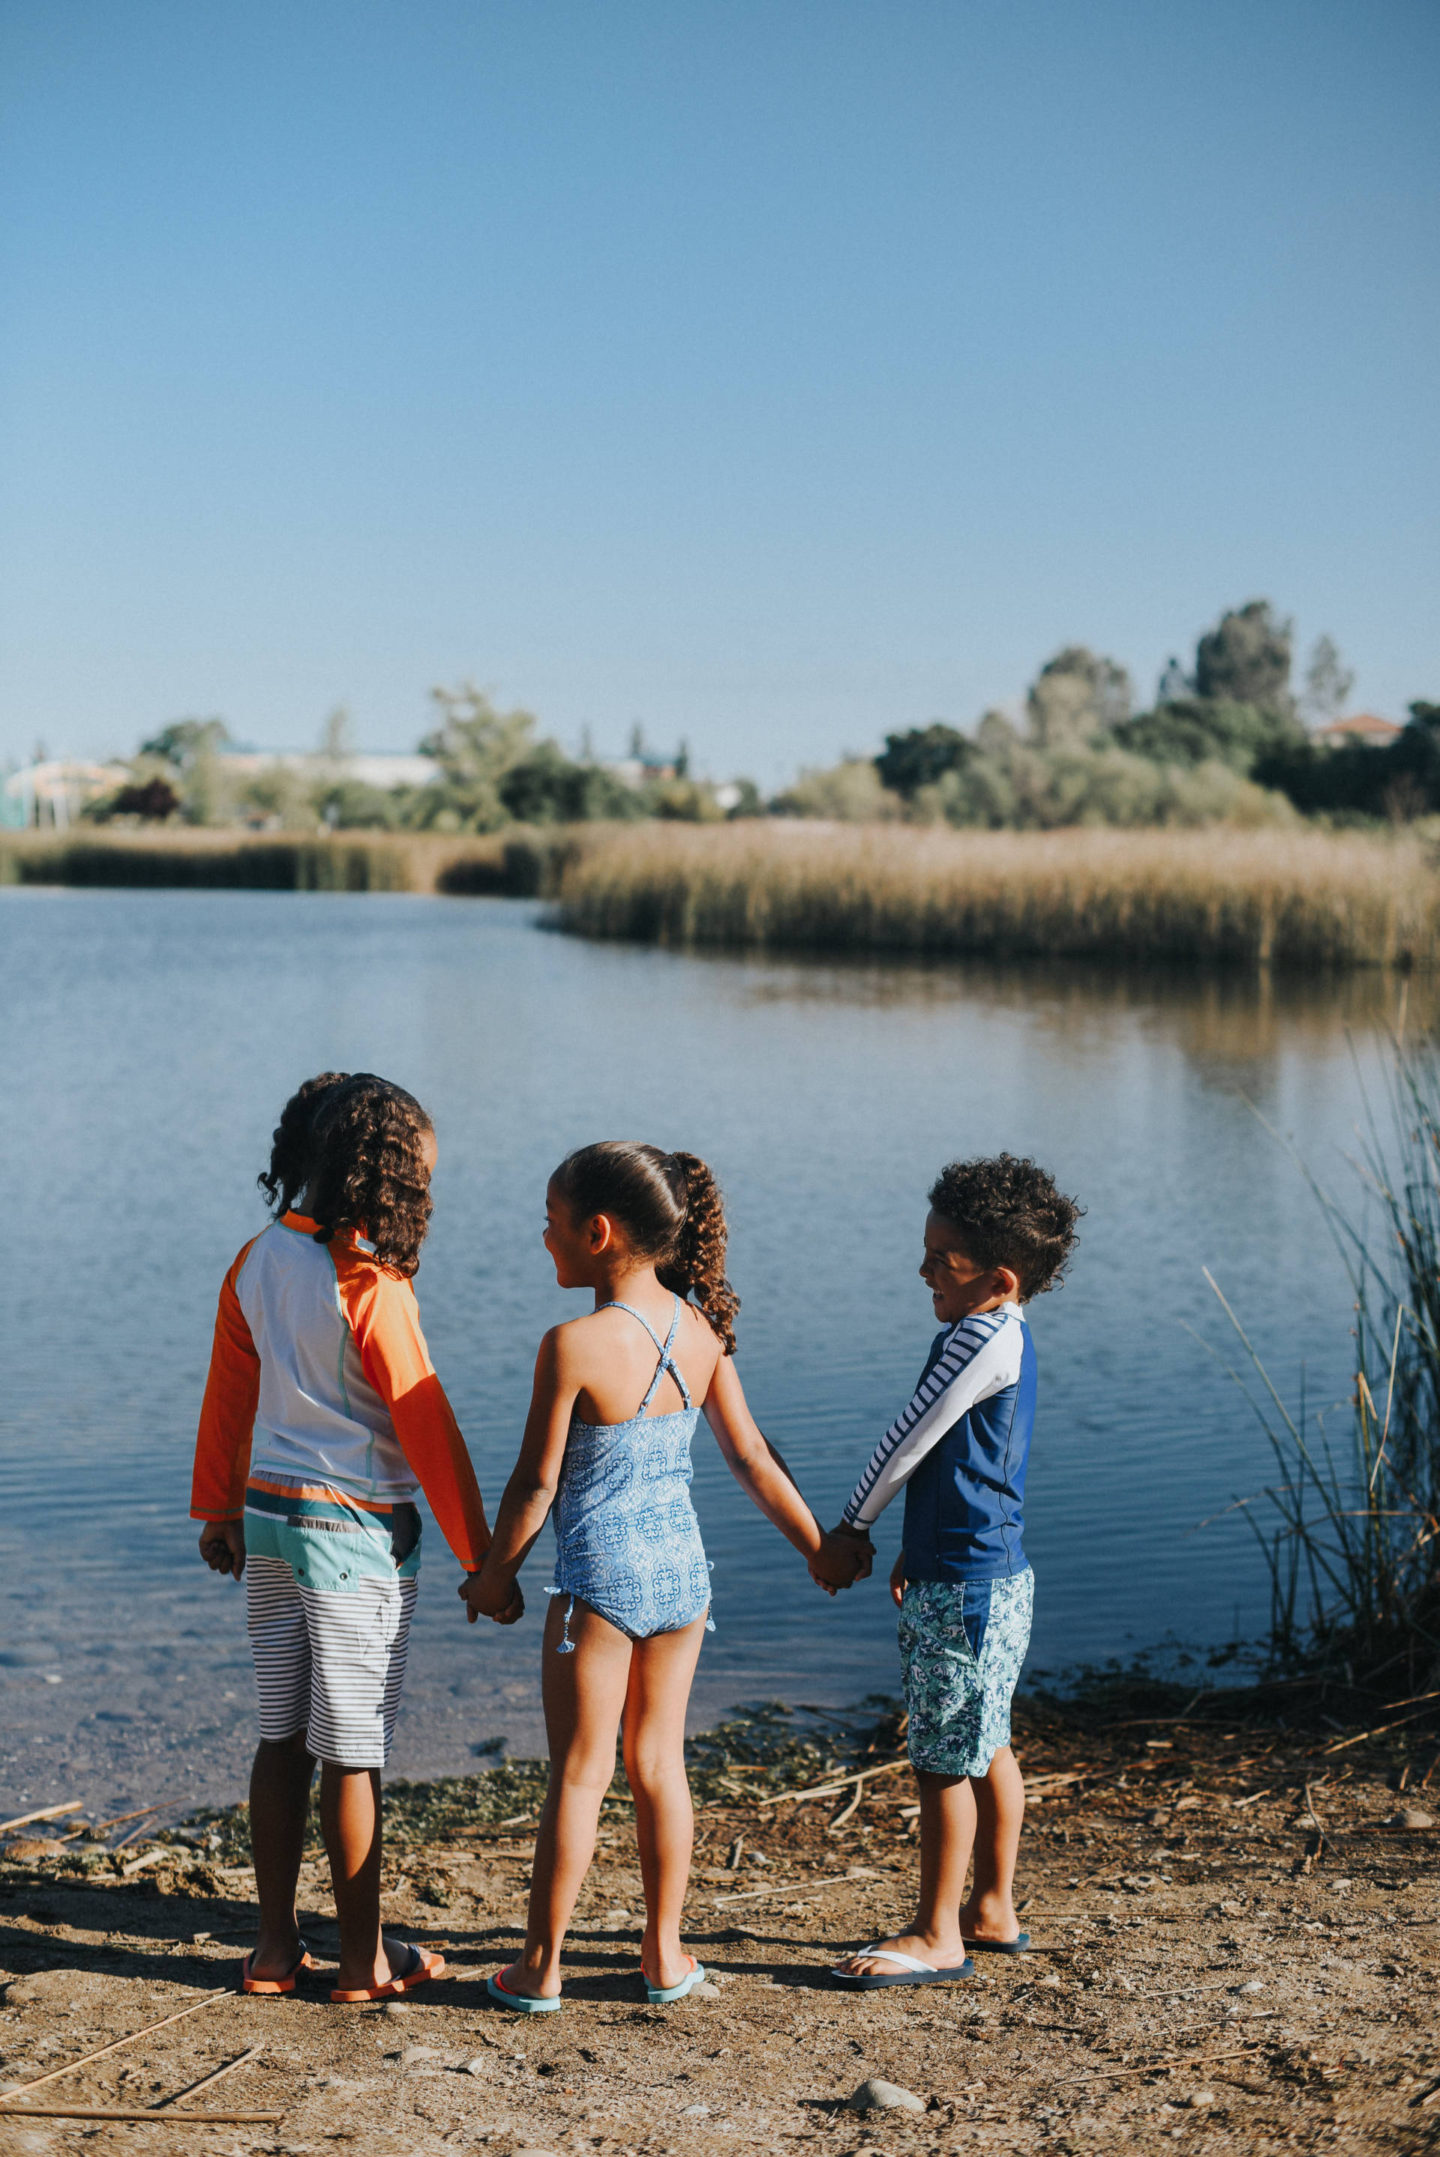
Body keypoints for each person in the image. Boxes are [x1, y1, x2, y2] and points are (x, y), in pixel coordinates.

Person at [464, 1140, 871, 2012]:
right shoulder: (702, 1330)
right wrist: (814, 1547)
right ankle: (666, 1953)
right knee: (660, 1764)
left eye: (550, 1221)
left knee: (579, 1774)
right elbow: (753, 1457)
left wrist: (496, 1577)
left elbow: (536, 1482)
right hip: (683, 1575)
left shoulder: (571, 1344)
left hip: (600, 1583)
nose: (542, 1236)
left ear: (599, 1232)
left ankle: (539, 1967)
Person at [191, 1071, 517, 2004]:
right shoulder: (370, 1281)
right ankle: (366, 1960)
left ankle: (272, 1949)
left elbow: (228, 1397)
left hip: (268, 1521)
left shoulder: (254, 1259)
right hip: (354, 1536)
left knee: (281, 1734)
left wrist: (214, 1506)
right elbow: (427, 1424)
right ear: (388, 1179)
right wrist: (481, 1558)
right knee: (356, 1749)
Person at [828, 1153, 1080, 1991]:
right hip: (993, 1568)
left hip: (964, 1584)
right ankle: (993, 1907)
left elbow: (911, 1435)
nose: (925, 1268)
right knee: (987, 1738)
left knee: (941, 1755)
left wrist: (852, 1526)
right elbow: (969, 1461)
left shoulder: (974, 1335)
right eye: (927, 1249)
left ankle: (938, 1931)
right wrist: (916, 1539)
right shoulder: (1009, 1330)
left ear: (999, 1276)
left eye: (946, 1259)